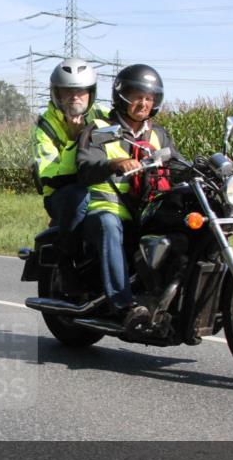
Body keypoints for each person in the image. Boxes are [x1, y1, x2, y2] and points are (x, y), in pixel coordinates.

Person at [75, 64, 181, 327]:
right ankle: (124, 305)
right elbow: (86, 165)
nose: (144, 103)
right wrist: (113, 164)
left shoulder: (158, 135)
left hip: (148, 212)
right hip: (107, 210)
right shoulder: (100, 129)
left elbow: (178, 164)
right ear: (123, 96)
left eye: (149, 98)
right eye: (138, 97)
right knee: (109, 225)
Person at [32, 57, 111, 288]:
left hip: (104, 186)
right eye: (67, 91)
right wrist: (78, 141)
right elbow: (49, 173)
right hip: (61, 193)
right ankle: (66, 264)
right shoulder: (45, 125)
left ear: (91, 93)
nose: (74, 96)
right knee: (78, 196)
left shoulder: (104, 116)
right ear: (56, 94)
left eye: (80, 91)